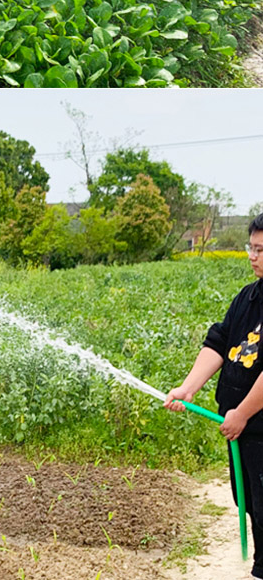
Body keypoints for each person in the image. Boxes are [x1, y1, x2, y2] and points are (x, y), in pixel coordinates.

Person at [165, 213, 263, 580]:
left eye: (260, 250)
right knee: (249, 501)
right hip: (243, 430)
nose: (252, 256)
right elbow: (219, 342)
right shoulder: (249, 297)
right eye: (250, 248)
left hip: (256, 426)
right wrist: (189, 387)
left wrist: (242, 413)